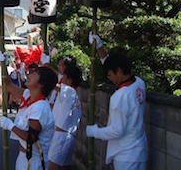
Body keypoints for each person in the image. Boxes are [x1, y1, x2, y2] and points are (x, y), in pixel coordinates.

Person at [86, 34, 148, 170]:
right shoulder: (139, 83)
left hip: (125, 155)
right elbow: (111, 64)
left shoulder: (120, 96)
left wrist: (93, 131)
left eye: (110, 75)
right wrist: (100, 47)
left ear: (119, 71)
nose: (109, 79)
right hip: (140, 150)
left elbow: (116, 131)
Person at [1, 66, 57, 170]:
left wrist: (10, 126)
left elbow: (31, 138)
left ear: (41, 83)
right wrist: (3, 61)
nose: (29, 75)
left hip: (33, 162)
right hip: (23, 158)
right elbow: (8, 85)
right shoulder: (28, 95)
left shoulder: (40, 108)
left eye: (35, 73)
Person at [47, 63, 82, 170]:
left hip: (61, 137)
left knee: (52, 167)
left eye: (64, 77)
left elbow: (53, 85)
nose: (61, 79)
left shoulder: (69, 91)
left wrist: (42, 75)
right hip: (66, 136)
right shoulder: (72, 95)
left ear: (70, 80)